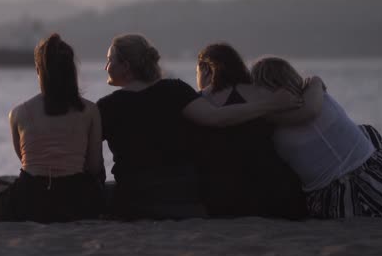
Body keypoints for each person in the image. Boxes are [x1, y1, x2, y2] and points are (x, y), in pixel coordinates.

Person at [99, 34, 300, 220]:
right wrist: (270, 104)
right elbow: (216, 117)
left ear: (125, 66)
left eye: (110, 60)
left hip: (135, 195)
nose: (106, 66)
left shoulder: (106, 106)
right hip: (182, 193)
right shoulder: (174, 89)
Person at [250, 57, 382, 218]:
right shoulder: (318, 96)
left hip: (350, 203)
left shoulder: (274, 128)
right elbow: (309, 112)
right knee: (365, 131)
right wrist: (316, 81)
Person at [0, 34, 106, 223]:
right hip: (76, 201)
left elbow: (24, 159)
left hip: (29, 201)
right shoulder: (90, 110)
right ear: (71, 70)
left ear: (39, 71)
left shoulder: (18, 113)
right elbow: (94, 166)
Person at [192, 43, 307, 219]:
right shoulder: (262, 94)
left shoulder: (198, 102)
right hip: (273, 189)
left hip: (222, 196)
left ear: (205, 69)